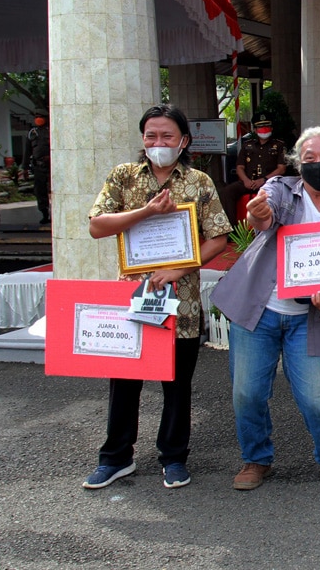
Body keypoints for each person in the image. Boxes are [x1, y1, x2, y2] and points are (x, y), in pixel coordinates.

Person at [84, 104, 232, 490]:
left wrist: (177, 271)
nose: (158, 143)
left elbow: (219, 237)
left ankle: (174, 457)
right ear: (143, 140)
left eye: (167, 136)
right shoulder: (124, 177)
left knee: (177, 383)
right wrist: (146, 212)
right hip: (133, 298)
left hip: (180, 299)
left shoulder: (199, 181)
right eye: (151, 135)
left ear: (183, 141)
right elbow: (98, 225)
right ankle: (115, 457)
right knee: (125, 381)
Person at [212, 126, 320, 492]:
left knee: (317, 394)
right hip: (257, 311)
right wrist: (256, 213)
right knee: (247, 392)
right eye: (309, 158)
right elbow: (264, 217)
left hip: (305, 319)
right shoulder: (280, 191)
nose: (318, 163)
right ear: (296, 162)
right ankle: (256, 459)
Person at [219, 117, 287, 225]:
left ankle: (273, 226)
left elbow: (281, 169)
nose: (264, 130)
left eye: (266, 127)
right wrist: (245, 180)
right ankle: (232, 229)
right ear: (255, 130)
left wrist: (264, 180)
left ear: (272, 129)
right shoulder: (247, 145)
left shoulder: (278, 145)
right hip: (248, 182)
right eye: (260, 128)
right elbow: (239, 167)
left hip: (269, 182)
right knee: (227, 192)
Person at [22, 108, 51, 224]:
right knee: (40, 191)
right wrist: (24, 168)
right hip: (39, 167)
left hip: (51, 167)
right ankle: (44, 213)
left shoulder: (51, 131)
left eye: (40, 116)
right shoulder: (32, 133)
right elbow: (27, 151)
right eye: (36, 116)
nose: (38, 119)